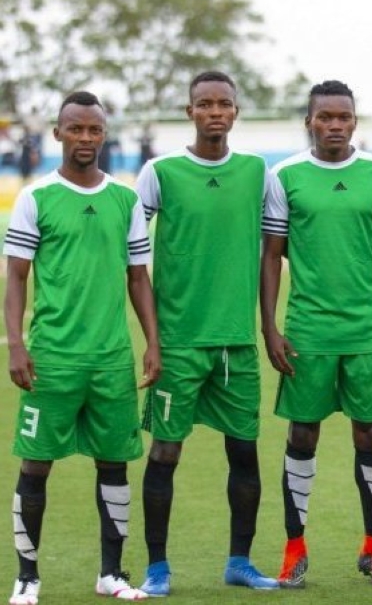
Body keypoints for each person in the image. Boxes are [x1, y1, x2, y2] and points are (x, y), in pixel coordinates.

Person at [5, 91, 160, 604]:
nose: (86, 138)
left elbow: (138, 278)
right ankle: (27, 578)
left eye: (95, 129)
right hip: (52, 357)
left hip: (111, 358)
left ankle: (111, 574)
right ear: (58, 133)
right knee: (35, 464)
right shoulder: (37, 197)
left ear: (104, 135)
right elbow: (17, 277)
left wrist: (152, 343)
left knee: (114, 463)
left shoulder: (125, 200)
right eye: (76, 129)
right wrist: (17, 345)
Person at [261, 80, 372, 588]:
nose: (334, 125)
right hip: (308, 328)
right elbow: (271, 256)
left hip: (367, 328)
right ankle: (294, 550)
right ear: (309, 121)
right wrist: (269, 325)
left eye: (343, 117)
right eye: (324, 117)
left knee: (371, 434)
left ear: (354, 121)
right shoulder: (285, 176)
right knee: (302, 433)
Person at [135, 71, 277, 595]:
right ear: (189, 111)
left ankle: (240, 562)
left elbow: (273, 251)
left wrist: (268, 326)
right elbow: (132, 253)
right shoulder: (160, 172)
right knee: (165, 453)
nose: (215, 112)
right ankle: (157, 568)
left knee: (244, 454)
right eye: (205, 104)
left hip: (236, 344)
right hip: (179, 343)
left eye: (224, 104)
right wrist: (154, 339)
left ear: (236, 111)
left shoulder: (257, 172)